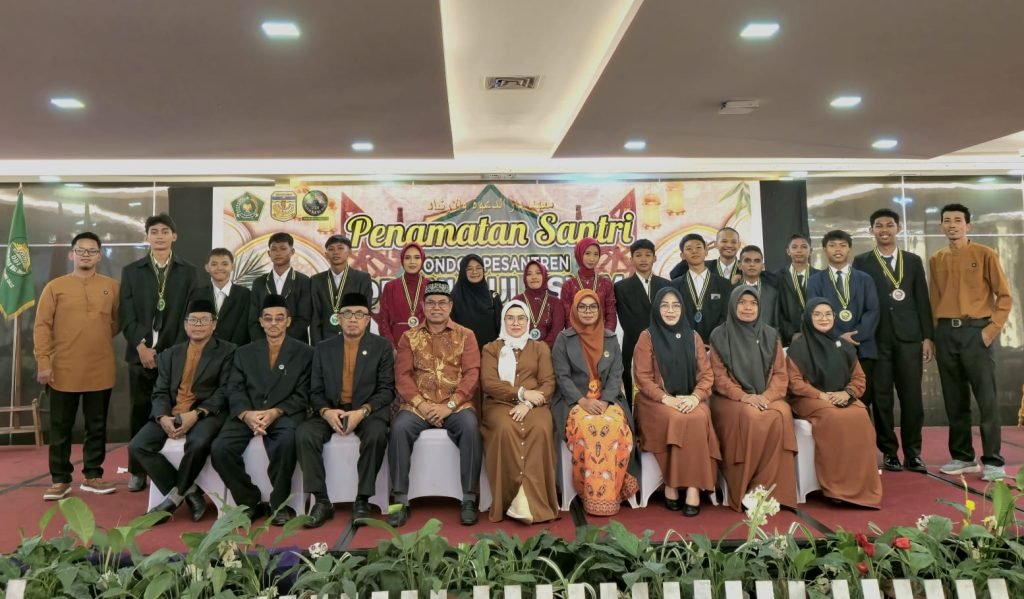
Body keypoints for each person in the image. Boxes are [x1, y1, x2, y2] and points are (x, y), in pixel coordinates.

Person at [128, 299, 235, 523]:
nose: (198, 325)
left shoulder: (228, 351)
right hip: (172, 412)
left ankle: (173, 499)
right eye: (193, 320)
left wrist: (196, 414)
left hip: (206, 414)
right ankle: (190, 492)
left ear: (214, 325)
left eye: (204, 320)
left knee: (198, 443)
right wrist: (162, 417)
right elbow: (159, 392)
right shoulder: (170, 354)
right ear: (185, 325)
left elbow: (225, 391)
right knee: (138, 446)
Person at [212, 294, 314, 525]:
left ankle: (279, 505)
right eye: (268, 318)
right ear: (260, 322)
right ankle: (249, 501)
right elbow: (234, 388)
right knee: (220, 449)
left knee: (286, 443)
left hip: (283, 414)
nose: (273, 323)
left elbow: (304, 393)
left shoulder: (305, 353)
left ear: (288, 321)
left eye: (279, 318)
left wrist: (275, 412)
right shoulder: (244, 352)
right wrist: (246, 414)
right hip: (248, 413)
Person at [929, 203, 1013, 481]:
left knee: (986, 399)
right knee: (954, 399)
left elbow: (1004, 296)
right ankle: (963, 456)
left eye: (957, 220)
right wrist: (932, 336)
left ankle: (993, 461)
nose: (952, 225)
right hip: (945, 333)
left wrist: (991, 330)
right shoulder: (937, 259)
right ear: (941, 226)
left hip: (976, 332)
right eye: (947, 220)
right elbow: (933, 300)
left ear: (968, 225)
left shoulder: (985, 254)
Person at [388, 280, 482, 527]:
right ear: (423, 306)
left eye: (442, 303)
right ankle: (399, 502)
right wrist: (422, 405)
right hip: (418, 406)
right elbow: (403, 376)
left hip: (456, 405)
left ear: (450, 306)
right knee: (399, 429)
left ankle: (469, 499)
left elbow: (472, 374)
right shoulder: (409, 337)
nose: (436, 307)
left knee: (471, 428)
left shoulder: (466, 335)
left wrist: (449, 406)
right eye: (431, 303)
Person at [34, 232, 120, 500]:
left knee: (97, 426)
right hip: (62, 368)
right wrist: (44, 362)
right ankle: (60, 480)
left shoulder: (112, 287)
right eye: (80, 250)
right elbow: (42, 326)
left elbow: (117, 322)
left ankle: (93, 475)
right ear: (71, 254)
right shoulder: (55, 287)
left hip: (100, 367)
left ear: (99, 256)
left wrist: (95, 337)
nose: (86, 255)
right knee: (60, 427)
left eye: (91, 251)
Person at [298, 293, 394, 528]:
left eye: (359, 314)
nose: (353, 319)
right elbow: (314, 390)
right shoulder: (323, 348)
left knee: (376, 435)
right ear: (339, 319)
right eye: (347, 314)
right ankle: (321, 501)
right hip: (331, 409)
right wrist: (326, 412)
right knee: (304, 434)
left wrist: (363, 411)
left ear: (368, 319)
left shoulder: (381, 347)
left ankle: (362, 500)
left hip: (366, 411)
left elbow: (386, 390)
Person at [120, 214, 197, 492]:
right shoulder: (132, 271)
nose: (160, 236)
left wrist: (172, 354)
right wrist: (141, 346)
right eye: (154, 231)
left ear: (174, 236)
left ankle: (174, 469)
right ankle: (137, 470)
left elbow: (189, 315)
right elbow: (126, 314)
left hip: (174, 356)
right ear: (147, 237)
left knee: (173, 411)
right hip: (140, 355)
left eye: (165, 231)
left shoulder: (188, 271)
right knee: (140, 412)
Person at [852, 209, 933, 473]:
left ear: (898, 228)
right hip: (877, 339)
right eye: (879, 225)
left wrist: (927, 336)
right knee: (882, 398)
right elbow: (857, 301)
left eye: (889, 224)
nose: (884, 229)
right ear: (871, 231)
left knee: (912, 397)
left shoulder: (912, 261)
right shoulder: (862, 262)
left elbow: (922, 299)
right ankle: (889, 451)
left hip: (909, 338)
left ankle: (913, 452)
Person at [786, 299, 882, 508]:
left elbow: (859, 378)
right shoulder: (798, 347)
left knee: (861, 414)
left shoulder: (844, 346)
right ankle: (837, 488)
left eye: (828, 314)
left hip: (842, 397)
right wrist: (821, 395)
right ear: (808, 317)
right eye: (817, 314)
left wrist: (847, 393)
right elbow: (794, 382)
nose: (824, 318)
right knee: (834, 417)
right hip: (809, 399)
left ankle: (863, 486)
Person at [551, 290, 639, 517]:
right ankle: (590, 492)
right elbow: (562, 376)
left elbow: (616, 374)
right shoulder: (564, 339)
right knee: (590, 428)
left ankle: (611, 490)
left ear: (600, 310)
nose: (588, 311)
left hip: (608, 399)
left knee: (613, 425)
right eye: (582, 307)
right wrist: (582, 401)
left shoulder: (610, 338)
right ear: (574, 309)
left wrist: (606, 400)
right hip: (574, 401)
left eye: (592, 307)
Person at [633, 288, 719, 517]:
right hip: (655, 402)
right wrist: (666, 398)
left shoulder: (693, 337)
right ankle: (671, 483)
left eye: (675, 305)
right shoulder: (647, 337)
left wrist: (695, 397)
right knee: (676, 418)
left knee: (699, 417)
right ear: (656, 309)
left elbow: (706, 375)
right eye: (664, 305)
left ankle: (692, 488)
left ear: (682, 308)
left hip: (689, 398)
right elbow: (642, 378)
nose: (670, 310)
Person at [709, 286, 797, 511]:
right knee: (751, 416)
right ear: (733, 305)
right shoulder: (720, 335)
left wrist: (766, 397)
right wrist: (744, 396)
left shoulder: (770, 334)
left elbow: (780, 375)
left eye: (753, 303)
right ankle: (747, 487)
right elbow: (719, 378)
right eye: (742, 302)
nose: (748, 307)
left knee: (782, 413)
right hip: (730, 399)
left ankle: (773, 491)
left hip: (766, 396)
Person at [479, 301, 559, 524]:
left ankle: (531, 499)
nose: (516, 323)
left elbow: (548, 383)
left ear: (528, 322)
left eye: (521, 318)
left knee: (540, 427)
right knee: (505, 428)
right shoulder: (491, 349)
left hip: (535, 405)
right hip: (499, 404)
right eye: (510, 318)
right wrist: (522, 393)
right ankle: (510, 498)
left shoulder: (540, 348)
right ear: (503, 321)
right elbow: (489, 384)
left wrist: (529, 404)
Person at [807, 230, 879, 370]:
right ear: (824, 250)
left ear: (849, 250)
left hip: (862, 347)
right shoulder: (815, 281)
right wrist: (839, 337)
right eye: (832, 245)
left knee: (865, 384)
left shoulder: (865, 279)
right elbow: (815, 313)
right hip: (830, 347)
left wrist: (855, 336)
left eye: (843, 245)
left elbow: (873, 311)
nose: (838, 249)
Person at [614, 239, 670, 400]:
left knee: (661, 388)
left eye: (647, 255)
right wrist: (649, 338)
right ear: (631, 259)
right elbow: (626, 321)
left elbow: (670, 316)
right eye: (638, 255)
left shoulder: (667, 285)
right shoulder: (621, 287)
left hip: (664, 342)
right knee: (632, 391)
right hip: (633, 343)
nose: (643, 259)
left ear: (654, 258)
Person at [248, 232, 313, 343]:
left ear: (292, 251)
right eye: (274, 249)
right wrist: (266, 342)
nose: (278, 253)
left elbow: (304, 318)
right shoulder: (259, 282)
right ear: (269, 253)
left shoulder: (303, 281)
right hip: (264, 345)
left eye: (283, 249)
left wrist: (282, 342)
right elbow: (253, 320)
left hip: (296, 345)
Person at [310, 235, 374, 344]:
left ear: (349, 252)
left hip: (353, 340)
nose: (335, 252)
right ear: (326, 254)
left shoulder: (362, 279)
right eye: (331, 249)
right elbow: (315, 317)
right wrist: (316, 347)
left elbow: (365, 315)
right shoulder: (316, 280)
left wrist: (362, 344)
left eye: (340, 248)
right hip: (325, 343)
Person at [670, 234, 732, 343]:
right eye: (689, 249)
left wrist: (713, 342)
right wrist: (690, 342)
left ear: (706, 251)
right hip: (684, 344)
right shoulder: (674, 285)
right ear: (682, 255)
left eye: (698, 247)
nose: (694, 251)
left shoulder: (724, 284)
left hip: (717, 345)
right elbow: (673, 316)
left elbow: (727, 316)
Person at [186, 248, 251, 346]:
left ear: (232, 267)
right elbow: (191, 324)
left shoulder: (245, 294)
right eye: (214, 264)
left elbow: (244, 327)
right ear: (207, 268)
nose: (219, 268)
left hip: (236, 349)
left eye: (224, 264)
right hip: (203, 349)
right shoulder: (197, 294)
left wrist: (233, 349)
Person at [559, 238, 617, 331]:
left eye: (596, 254)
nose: (592, 259)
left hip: (602, 336)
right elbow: (567, 317)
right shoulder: (568, 285)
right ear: (579, 254)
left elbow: (611, 314)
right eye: (587, 253)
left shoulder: (606, 284)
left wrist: (606, 336)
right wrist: (576, 337)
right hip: (576, 336)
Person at [378, 243, 429, 347]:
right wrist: (391, 347)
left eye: (417, 257)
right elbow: (383, 320)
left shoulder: (430, 286)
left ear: (422, 260)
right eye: (407, 258)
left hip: (425, 343)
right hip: (397, 343)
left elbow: (437, 319)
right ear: (402, 261)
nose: (412, 262)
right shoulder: (390, 287)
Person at [451, 254, 503, 350]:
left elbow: (501, 329)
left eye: (478, 268)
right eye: (469, 269)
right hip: (463, 354)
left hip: (490, 354)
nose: (474, 272)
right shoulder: (454, 298)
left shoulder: (493, 297)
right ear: (463, 272)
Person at [776, 233, 819, 347]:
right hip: (789, 340)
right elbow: (776, 311)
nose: (799, 250)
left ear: (811, 251)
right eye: (794, 247)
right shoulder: (777, 277)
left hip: (817, 336)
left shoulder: (821, 277)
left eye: (804, 247)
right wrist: (791, 333)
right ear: (788, 251)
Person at [511, 260, 564, 348]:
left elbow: (556, 330)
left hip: (548, 351)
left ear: (544, 276)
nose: (534, 277)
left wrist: (542, 348)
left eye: (538, 273)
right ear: (525, 278)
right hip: (521, 350)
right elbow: (512, 328)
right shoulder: (517, 301)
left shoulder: (555, 302)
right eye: (529, 274)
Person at [669, 227, 742, 282]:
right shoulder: (704, 266)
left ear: (739, 245)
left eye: (733, 242)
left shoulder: (744, 267)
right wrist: (701, 251)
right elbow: (675, 276)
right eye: (724, 241)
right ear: (716, 244)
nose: (729, 245)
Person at [736, 245, 779, 329]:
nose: (752, 264)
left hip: (766, 336)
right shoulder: (731, 290)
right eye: (747, 261)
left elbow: (776, 324)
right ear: (739, 265)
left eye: (757, 261)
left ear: (763, 266)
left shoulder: (773, 292)